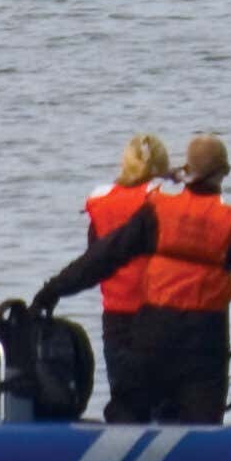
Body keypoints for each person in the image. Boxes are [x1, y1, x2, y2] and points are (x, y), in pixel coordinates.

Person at [31, 134, 231, 425]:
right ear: (223, 173)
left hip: (152, 337)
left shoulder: (158, 211)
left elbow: (103, 257)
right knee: (201, 431)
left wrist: (52, 290)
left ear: (187, 171)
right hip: (204, 344)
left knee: (127, 417)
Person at [80, 133, 173, 422]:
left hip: (116, 316)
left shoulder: (102, 202)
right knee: (165, 406)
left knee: (125, 404)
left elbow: (93, 259)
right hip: (159, 315)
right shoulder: (164, 200)